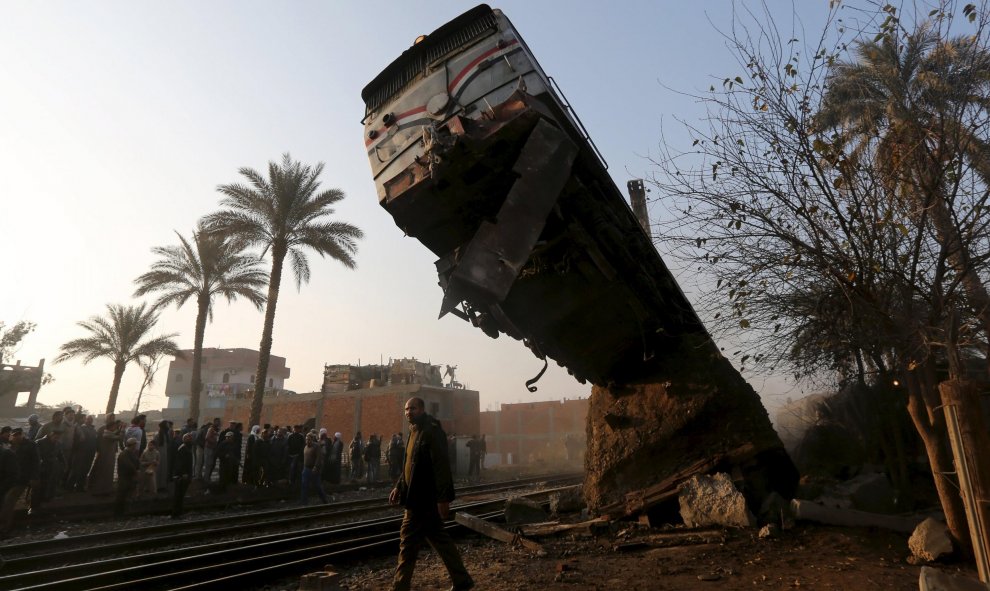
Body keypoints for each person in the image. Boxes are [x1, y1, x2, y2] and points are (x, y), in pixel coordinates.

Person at [389, 397, 473, 591]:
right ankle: (462, 580)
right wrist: (399, 486)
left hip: (423, 498)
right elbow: (409, 465)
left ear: (422, 409)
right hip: (416, 497)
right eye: (406, 409)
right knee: (440, 539)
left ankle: (400, 587)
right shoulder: (413, 431)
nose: (409, 412)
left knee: (408, 542)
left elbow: (441, 466)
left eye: (413, 408)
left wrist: (443, 498)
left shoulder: (431, 431)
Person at [1, 428, 36, 535]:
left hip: (21, 479)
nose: (16, 437)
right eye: (14, 435)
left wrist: (34, 477)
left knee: (8, 501)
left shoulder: (30, 445)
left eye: (18, 435)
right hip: (9, 479)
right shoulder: (9, 446)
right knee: (6, 502)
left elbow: (36, 462)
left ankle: (4, 527)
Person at [88, 418, 123, 495]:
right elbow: (118, 437)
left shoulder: (109, 433)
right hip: (106, 456)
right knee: (105, 472)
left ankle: (105, 488)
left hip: (108, 456)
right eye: (114, 426)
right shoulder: (107, 434)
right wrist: (122, 430)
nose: (115, 428)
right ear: (110, 427)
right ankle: (102, 489)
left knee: (108, 472)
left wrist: (120, 429)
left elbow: (115, 434)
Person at [68, 414, 97, 491]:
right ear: (85, 420)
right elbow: (76, 440)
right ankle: (69, 487)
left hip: (90, 453)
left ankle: (80, 486)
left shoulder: (93, 430)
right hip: (81, 452)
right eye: (88, 419)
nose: (90, 421)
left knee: (85, 470)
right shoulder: (81, 428)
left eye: (91, 419)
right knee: (76, 470)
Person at [114, 438, 140, 517]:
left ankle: (125, 513)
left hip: (129, 478)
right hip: (125, 478)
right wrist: (136, 472)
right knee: (122, 496)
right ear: (132, 445)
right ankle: (119, 514)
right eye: (135, 444)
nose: (136, 446)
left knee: (127, 496)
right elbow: (129, 466)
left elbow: (136, 462)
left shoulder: (130, 453)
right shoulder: (124, 454)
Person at [36, 429, 64, 503]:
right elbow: (36, 456)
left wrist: (64, 463)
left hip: (53, 466)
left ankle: (50, 495)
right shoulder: (40, 442)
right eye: (55, 437)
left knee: (53, 481)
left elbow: (60, 454)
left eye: (58, 438)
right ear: (51, 435)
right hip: (43, 466)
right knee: (44, 482)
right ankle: (43, 497)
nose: (56, 439)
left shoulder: (58, 443)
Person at [300, 433, 328, 505]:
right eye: (306, 439)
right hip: (306, 469)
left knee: (317, 486)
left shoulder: (316, 447)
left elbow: (319, 458)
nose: (307, 441)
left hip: (314, 469)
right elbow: (305, 459)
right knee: (304, 485)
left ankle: (324, 499)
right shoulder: (305, 447)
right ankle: (304, 502)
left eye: (309, 439)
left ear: (312, 439)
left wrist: (316, 466)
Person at [171, 432, 194, 518]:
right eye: (188, 437)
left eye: (190, 438)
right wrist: (183, 473)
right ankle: (176, 513)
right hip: (181, 476)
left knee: (181, 495)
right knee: (178, 495)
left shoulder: (187, 448)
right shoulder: (183, 448)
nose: (190, 439)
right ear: (184, 439)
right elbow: (179, 463)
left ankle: (179, 512)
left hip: (185, 475)